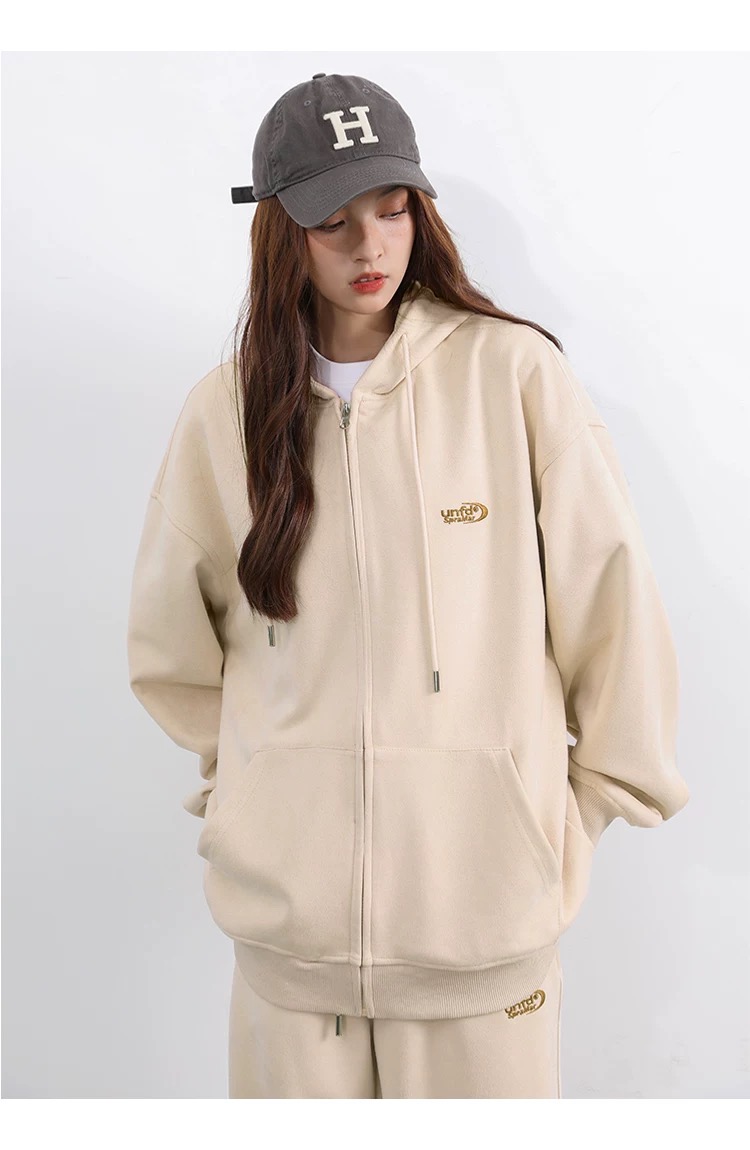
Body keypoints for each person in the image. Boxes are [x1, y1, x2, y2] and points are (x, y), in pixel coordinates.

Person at [126, 72, 690, 1099]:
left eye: (393, 210)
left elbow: (614, 612)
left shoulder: (514, 376)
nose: (371, 248)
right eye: (333, 222)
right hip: (290, 964)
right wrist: (255, 790)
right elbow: (171, 650)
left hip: (487, 942)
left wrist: (578, 812)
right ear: (280, 232)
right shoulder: (225, 414)